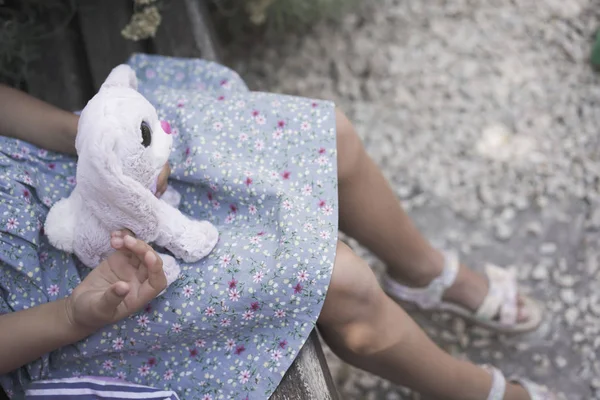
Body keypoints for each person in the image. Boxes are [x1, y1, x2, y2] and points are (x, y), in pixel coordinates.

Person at [0, 54, 554, 400]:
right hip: (55, 303)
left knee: (326, 134)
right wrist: (72, 315)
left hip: (65, 161)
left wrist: (90, 141)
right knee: (342, 282)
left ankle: (424, 270)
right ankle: (483, 394)